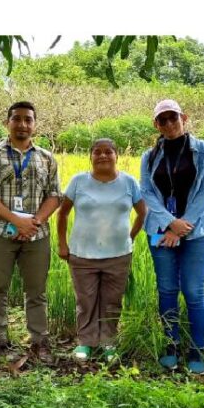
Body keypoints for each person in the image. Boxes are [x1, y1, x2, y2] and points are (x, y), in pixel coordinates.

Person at [0, 101, 61, 369]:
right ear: (7, 122)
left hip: (37, 233)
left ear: (34, 124)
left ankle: (39, 342)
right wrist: (16, 221)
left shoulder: (46, 158)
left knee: (37, 291)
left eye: (28, 119)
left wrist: (33, 222)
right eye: (17, 119)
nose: (22, 124)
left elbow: (54, 195)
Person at [140, 99, 204, 375]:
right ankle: (171, 344)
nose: (169, 124)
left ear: (183, 118)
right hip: (161, 231)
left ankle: (197, 349)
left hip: (197, 232)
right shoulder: (149, 156)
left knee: (193, 290)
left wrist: (181, 226)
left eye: (173, 117)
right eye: (162, 120)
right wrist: (169, 223)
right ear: (156, 125)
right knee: (167, 289)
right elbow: (147, 191)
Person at [57, 139, 146, 362]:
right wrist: (62, 244)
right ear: (91, 156)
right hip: (82, 254)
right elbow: (62, 213)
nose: (103, 156)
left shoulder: (129, 182)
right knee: (85, 300)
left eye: (108, 152)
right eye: (97, 152)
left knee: (112, 301)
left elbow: (142, 213)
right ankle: (86, 342)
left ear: (117, 155)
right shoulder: (78, 181)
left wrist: (130, 237)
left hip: (118, 255)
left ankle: (108, 342)